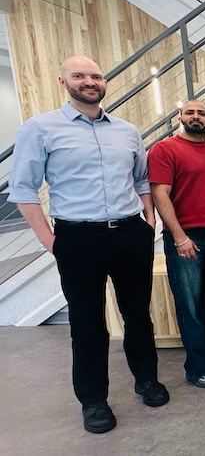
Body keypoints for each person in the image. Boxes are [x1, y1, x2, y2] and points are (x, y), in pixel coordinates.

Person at [9, 56, 168, 434]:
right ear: (63, 82)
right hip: (78, 238)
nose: (89, 81)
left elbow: (142, 179)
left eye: (95, 75)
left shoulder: (127, 130)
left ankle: (147, 380)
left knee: (138, 316)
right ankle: (94, 400)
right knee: (88, 324)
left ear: (104, 82)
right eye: (79, 76)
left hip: (131, 233)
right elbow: (23, 189)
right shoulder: (41, 128)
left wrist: (148, 220)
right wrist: (50, 240)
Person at [148, 100, 205, 388]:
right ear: (180, 117)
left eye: (202, 113)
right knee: (191, 304)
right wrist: (179, 236)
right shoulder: (165, 149)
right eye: (190, 112)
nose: (196, 117)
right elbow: (161, 195)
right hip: (186, 235)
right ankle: (197, 367)